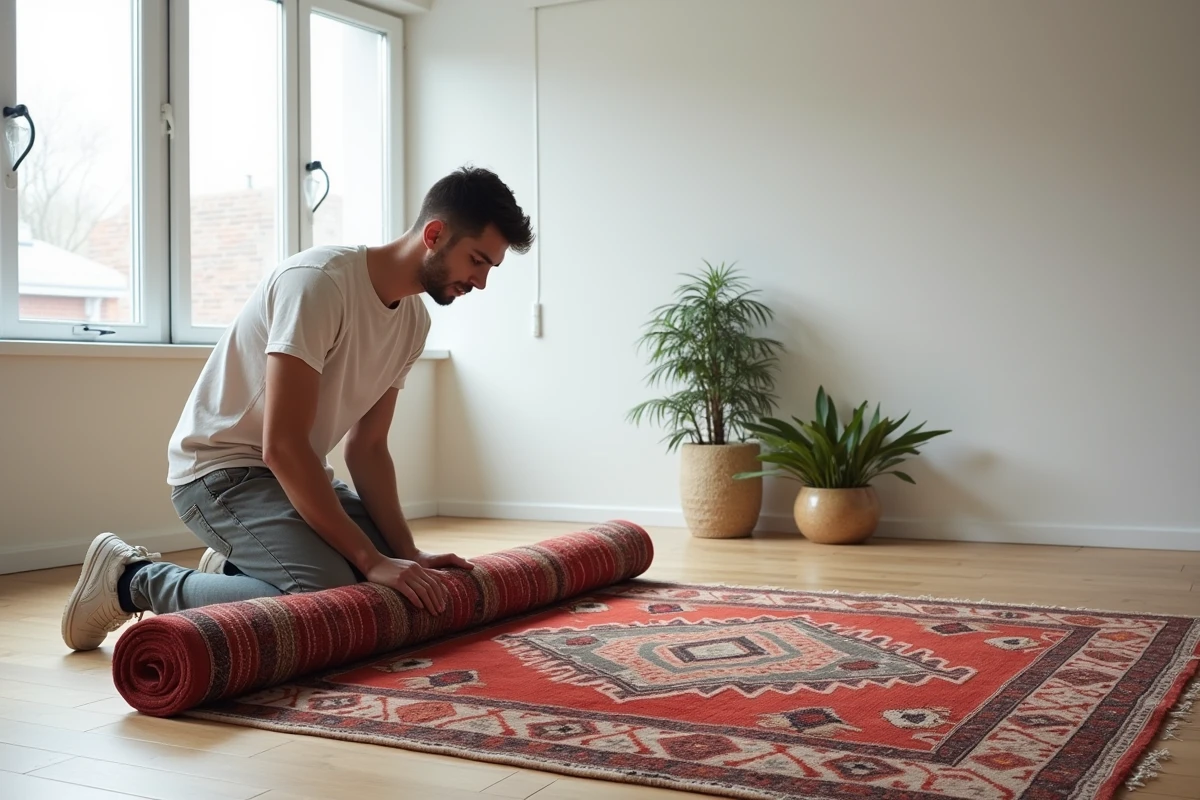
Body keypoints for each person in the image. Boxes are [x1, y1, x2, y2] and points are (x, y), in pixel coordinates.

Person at [61, 166, 534, 652]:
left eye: (489, 268)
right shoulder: (319, 284)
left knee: (403, 581)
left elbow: (368, 449)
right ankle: (132, 580)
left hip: (295, 476)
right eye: (477, 261)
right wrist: (371, 560)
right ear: (435, 235)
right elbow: (282, 445)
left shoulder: (413, 322)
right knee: (333, 595)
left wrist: (405, 551)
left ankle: (237, 570)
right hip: (220, 474)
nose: (479, 282)